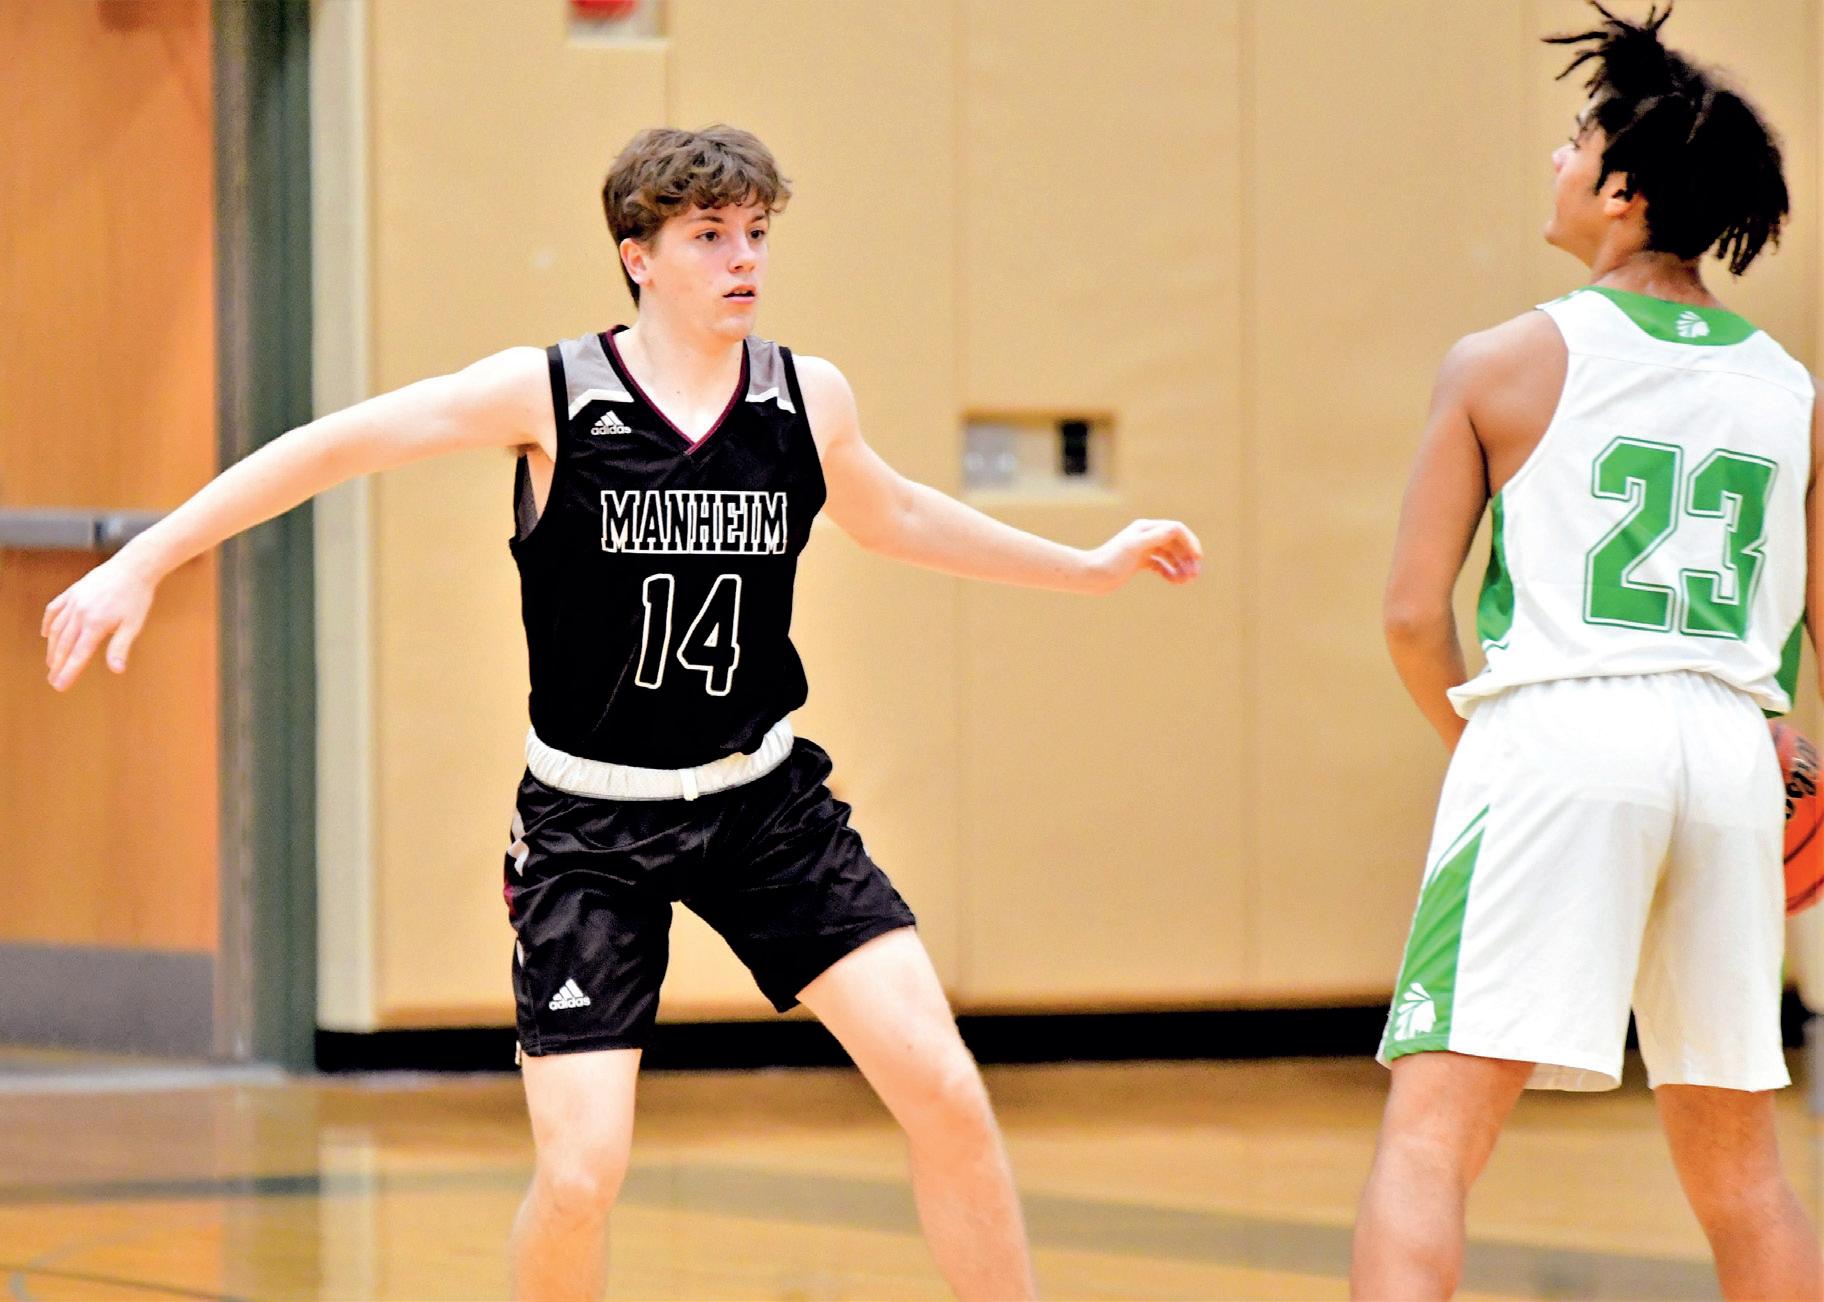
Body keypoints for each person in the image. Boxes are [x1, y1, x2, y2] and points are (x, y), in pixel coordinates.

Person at [40, 124, 1202, 1301]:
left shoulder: (804, 398)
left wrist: (1086, 566)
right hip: (590, 830)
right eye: (710, 236)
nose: (744, 259)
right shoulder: (552, 394)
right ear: (638, 256)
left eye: (757, 234)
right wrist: (147, 558)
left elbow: (895, 514)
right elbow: (331, 448)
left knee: (947, 1094)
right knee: (582, 1174)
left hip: (765, 810)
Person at [1351, 6, 1824, 1298]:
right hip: (1732, 753)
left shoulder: (1500, 361)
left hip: (1558, 732)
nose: (1557, 161)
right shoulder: (1792, 389)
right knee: (1745, 1174)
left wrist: (1483, 746)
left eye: (1576, 141)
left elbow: (1411, 617)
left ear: (1622, 191)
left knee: (1431, 1140)